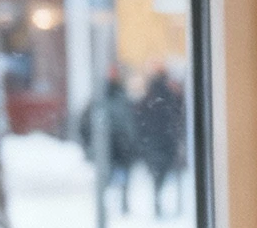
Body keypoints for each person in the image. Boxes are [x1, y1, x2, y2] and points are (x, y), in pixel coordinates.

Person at [79, 65, 138, 215]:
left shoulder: (122, 96)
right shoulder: (100, 98)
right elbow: (84, 123)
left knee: (122, 178)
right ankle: (103, 208)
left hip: (121, 146)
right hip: (109, 147)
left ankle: (123, 205)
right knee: (106, 178)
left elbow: (130, 121)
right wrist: (90, 145)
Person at [137, 66, 188, 217]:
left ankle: (158, 200)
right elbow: (178, 115)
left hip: (155, 140)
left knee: (158, 174)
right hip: (165, 139)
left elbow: (140, 118)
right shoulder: (169, 95)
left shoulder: (149, 96)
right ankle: (160, 201)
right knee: (163, 172)